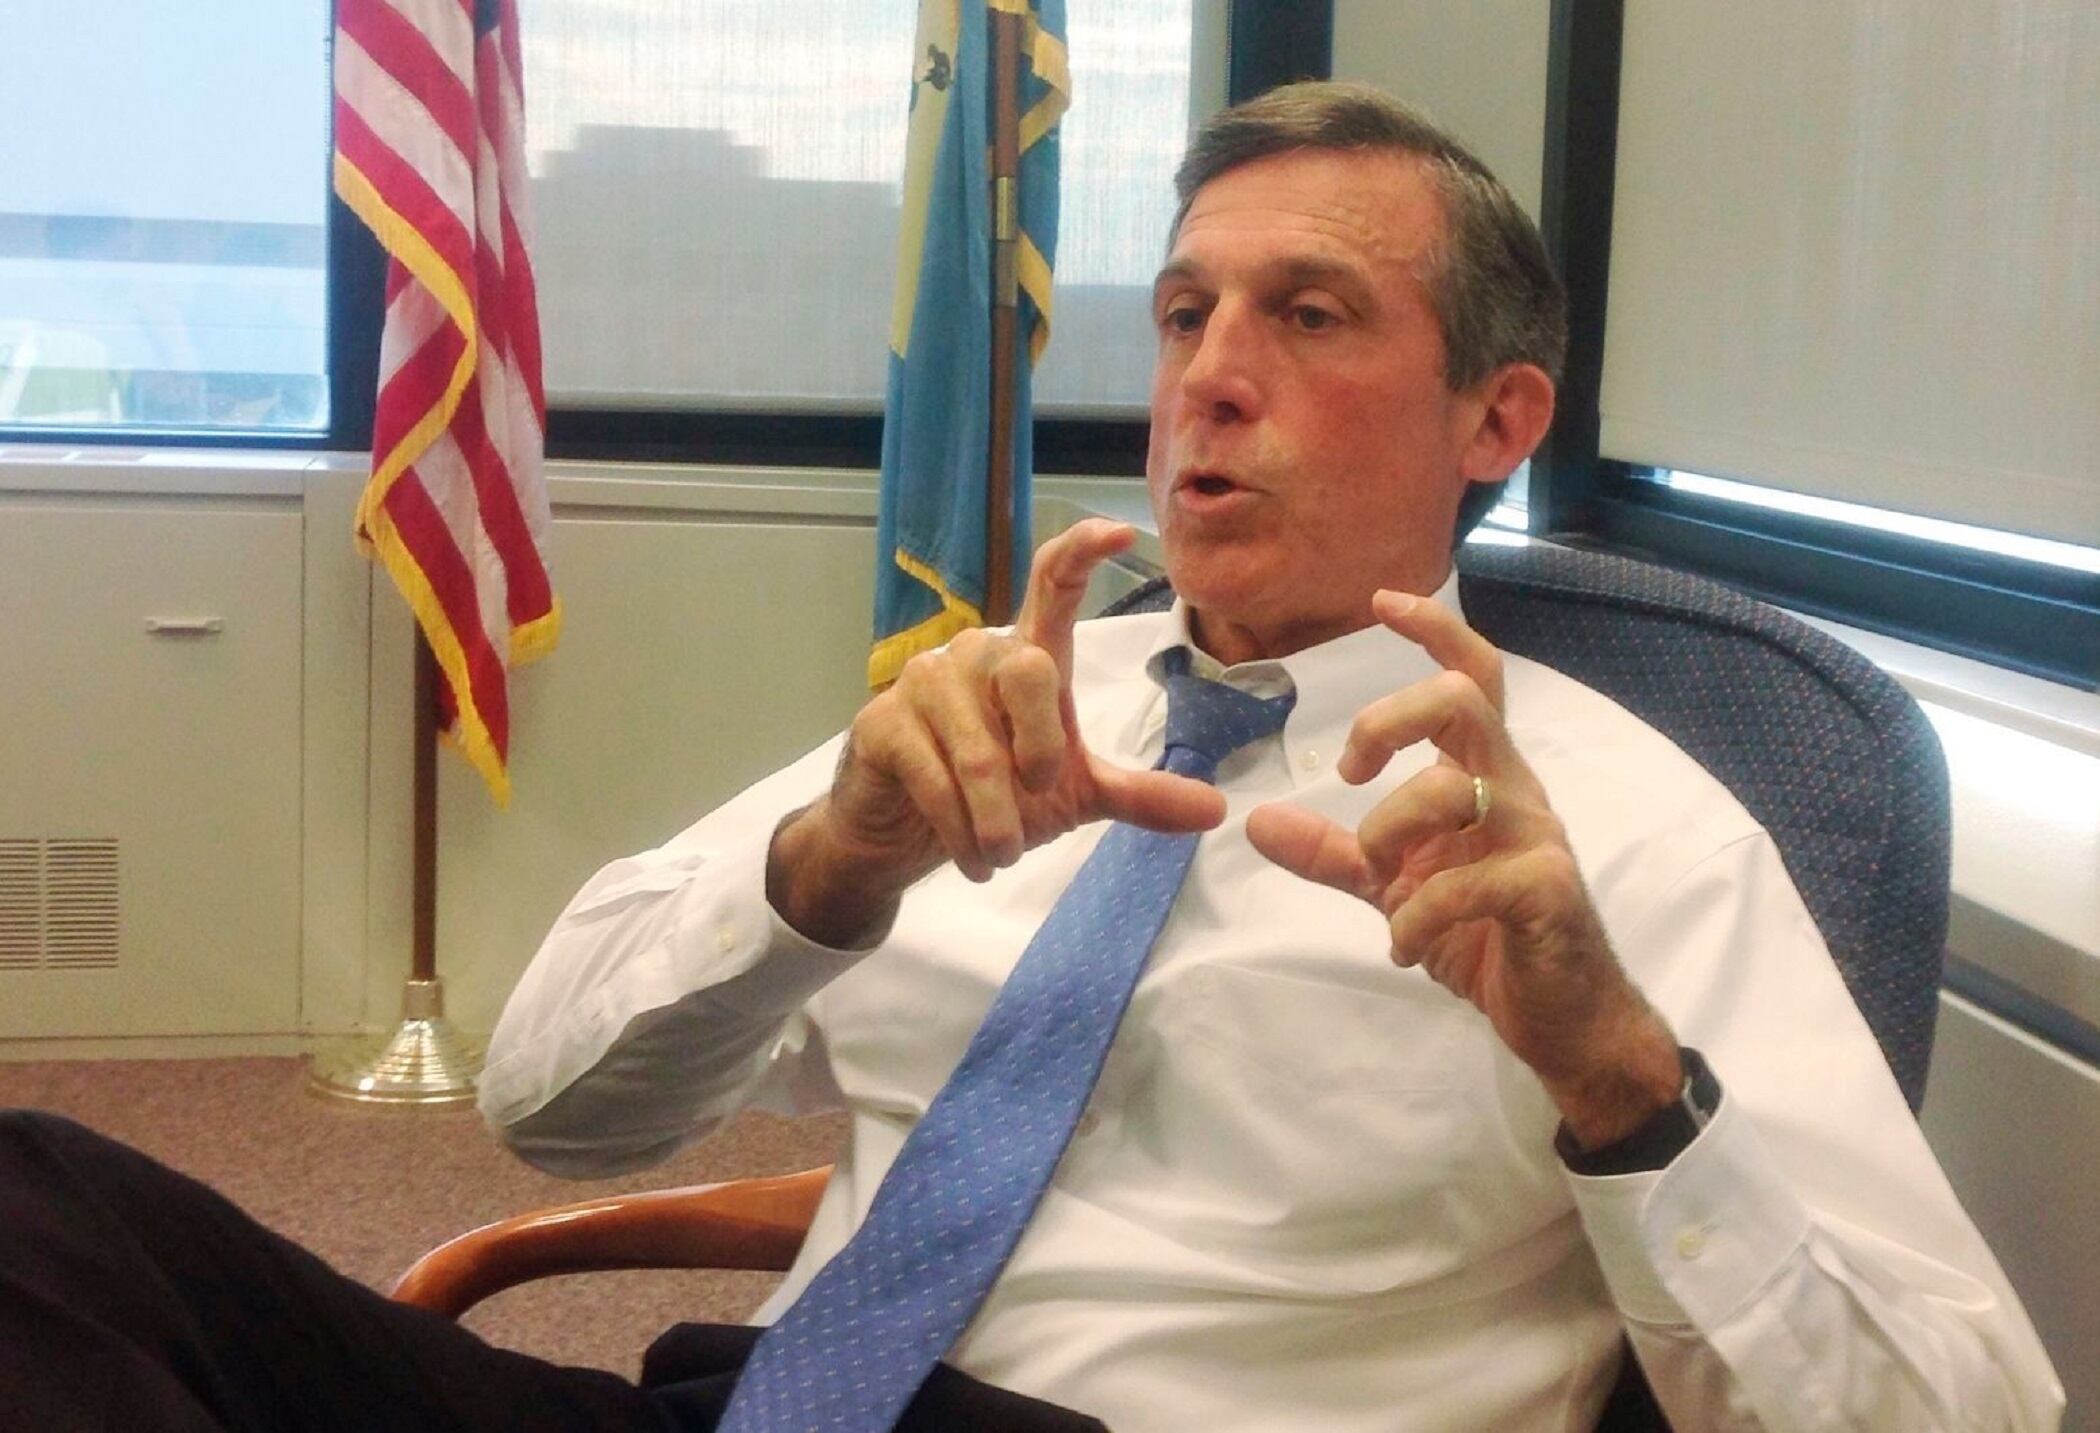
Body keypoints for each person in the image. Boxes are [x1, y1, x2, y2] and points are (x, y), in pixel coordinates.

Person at [0, 81, 2061, 1433]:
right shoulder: (1003, 708)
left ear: (1498, 420)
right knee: (36, 1203)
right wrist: (824, 864)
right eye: (1181, 313)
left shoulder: (1617, 837)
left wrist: (1619, 1076)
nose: (1208, 380)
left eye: (1310, 315)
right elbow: (549, 1110)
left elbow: (1959, 1409)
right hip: (753, 1402)